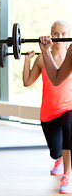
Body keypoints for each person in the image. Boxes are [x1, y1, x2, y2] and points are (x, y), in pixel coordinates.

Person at [25, 20, 72, 194]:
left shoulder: (71, 53)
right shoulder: (42, 58)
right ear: (51, 35)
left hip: (69, 107)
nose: (60, 37)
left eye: (64, 34)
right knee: (55, 151)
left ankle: (67, 175)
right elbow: (26, 82)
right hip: (49, 112)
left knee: (69, 130)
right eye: (56, 34)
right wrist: (27, 60)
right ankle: (58, 160)